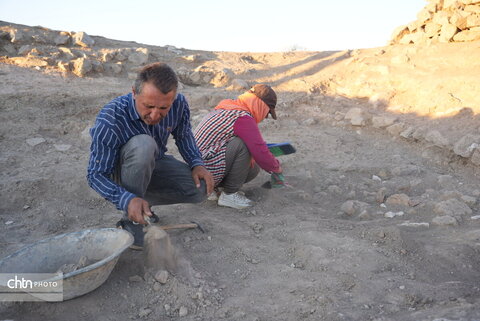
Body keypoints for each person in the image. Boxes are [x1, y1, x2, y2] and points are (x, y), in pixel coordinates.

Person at [87, 62, 214, 249]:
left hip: (153, 163)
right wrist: (126, 199)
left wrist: (197, 163)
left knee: (201, 188)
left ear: (173, 99)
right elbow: (95, 175)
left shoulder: (179, 105)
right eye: (148, 106)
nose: (155, 115)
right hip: (120, 172)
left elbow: (184, 135)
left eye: (163, 108)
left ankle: (143, 206)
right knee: (143, 145)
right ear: (134, 93)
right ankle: (132, 220)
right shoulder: (112, 117)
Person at [194, 84, 284, 209]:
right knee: (244, 146)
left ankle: (213, 190)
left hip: (196, 169)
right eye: (267, 112)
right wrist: (277, 168)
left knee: (252, 164)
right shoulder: (243, 118)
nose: (265, 117)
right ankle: (229, 195)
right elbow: (259, 150)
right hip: (202, 171)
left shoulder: (229, 107)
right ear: (261, 105)